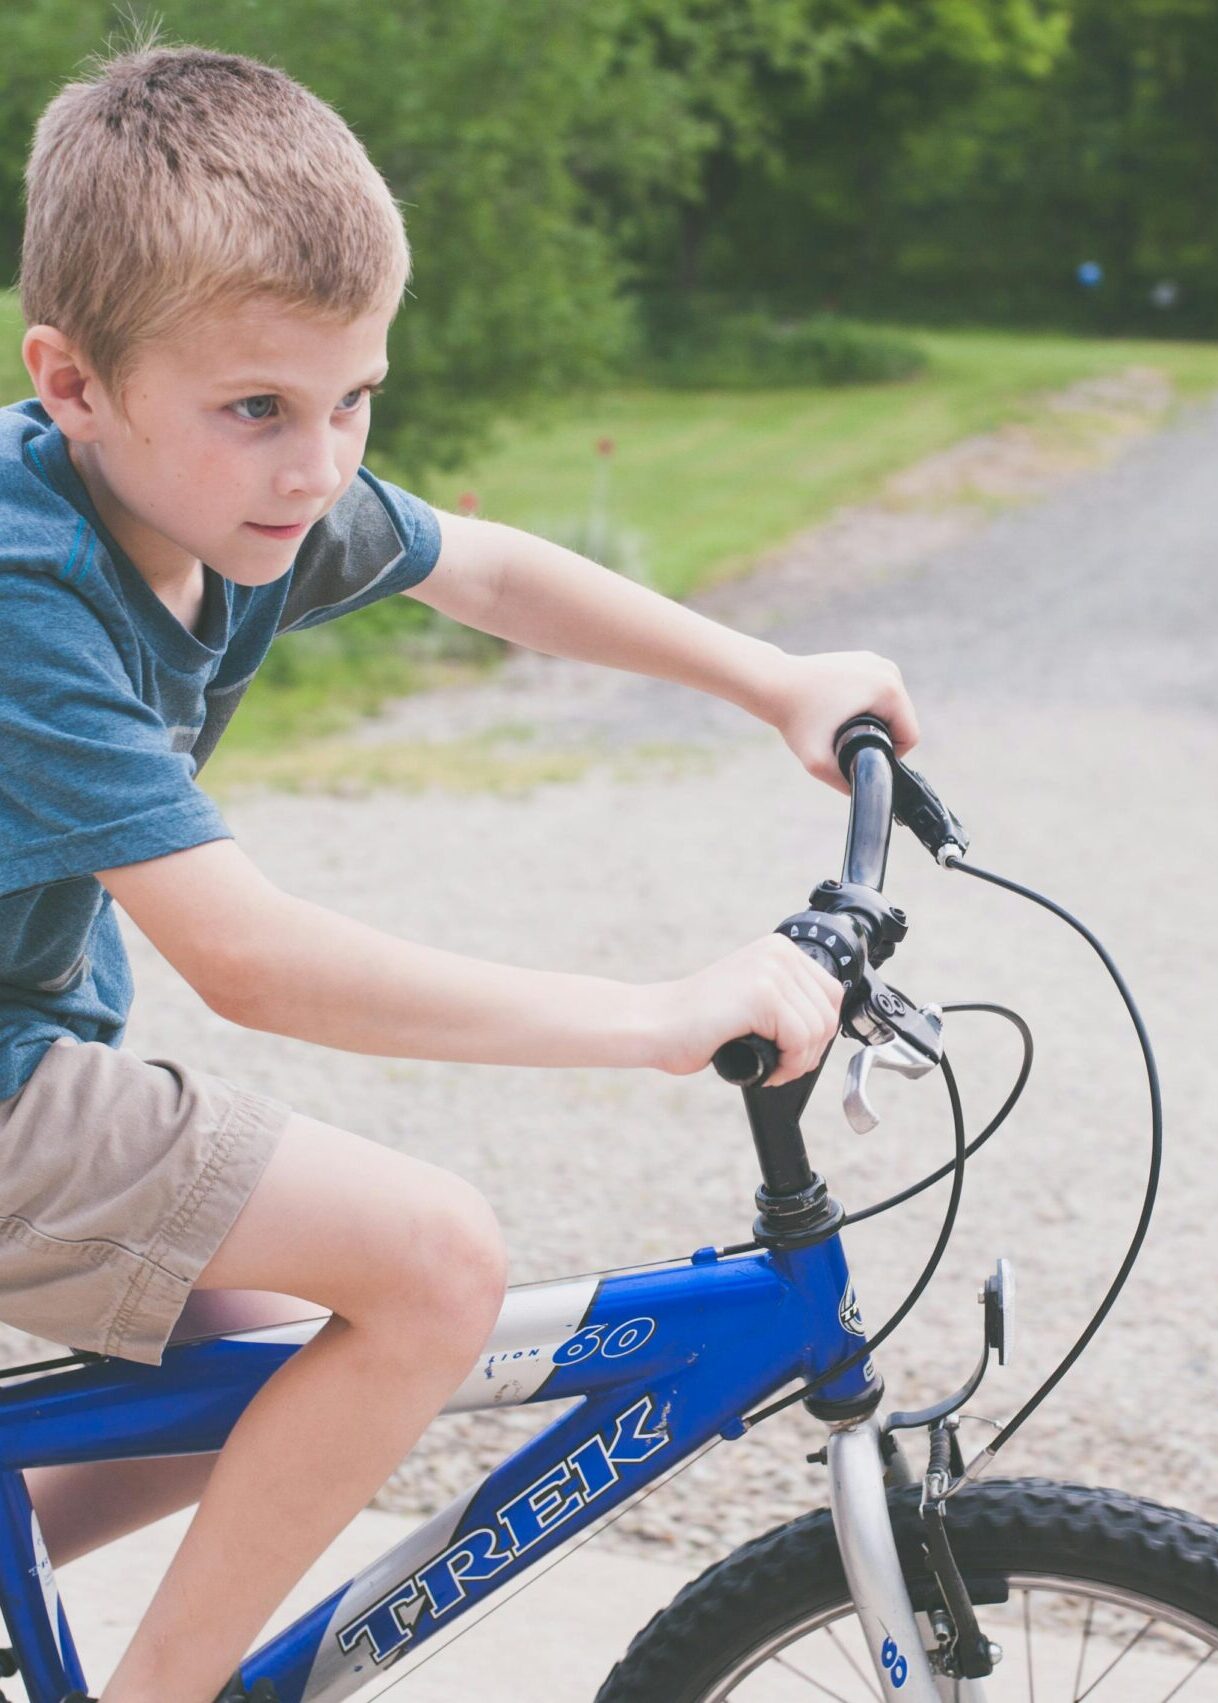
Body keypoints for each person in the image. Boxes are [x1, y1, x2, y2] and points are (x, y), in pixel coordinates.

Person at [0, 41, 918, 1703]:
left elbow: (485, 569)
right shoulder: (25, 593)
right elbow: (253, 962)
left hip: (24, 1048)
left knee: (258, 1346)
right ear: (68, 382)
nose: (321, 465)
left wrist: (773, 677)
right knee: (430, 1265)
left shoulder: (229, 502)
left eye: (357, 398)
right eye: (262, 408)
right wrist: (653, 1013)